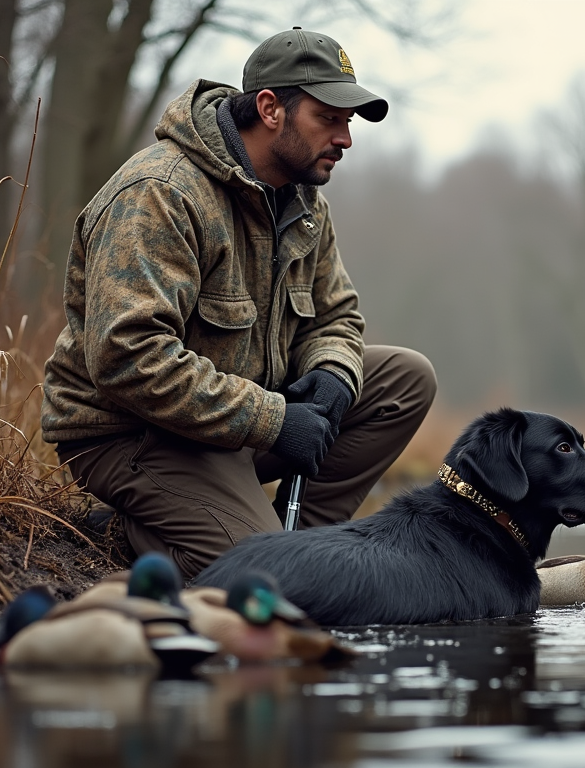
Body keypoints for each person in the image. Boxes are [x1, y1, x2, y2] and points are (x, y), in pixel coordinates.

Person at [40, 27, 437, 579]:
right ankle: (132, 531)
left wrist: (332, 373)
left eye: (348, 122)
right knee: (266, 582)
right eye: (330, 118)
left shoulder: (303, 203)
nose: (346, 138)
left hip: (235, 427)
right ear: (271, 108)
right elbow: (128, 356)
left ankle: (309, 552)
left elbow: (336, 316)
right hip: (133, 435)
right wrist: (274, 420)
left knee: (404, 379)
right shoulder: (160, 193)